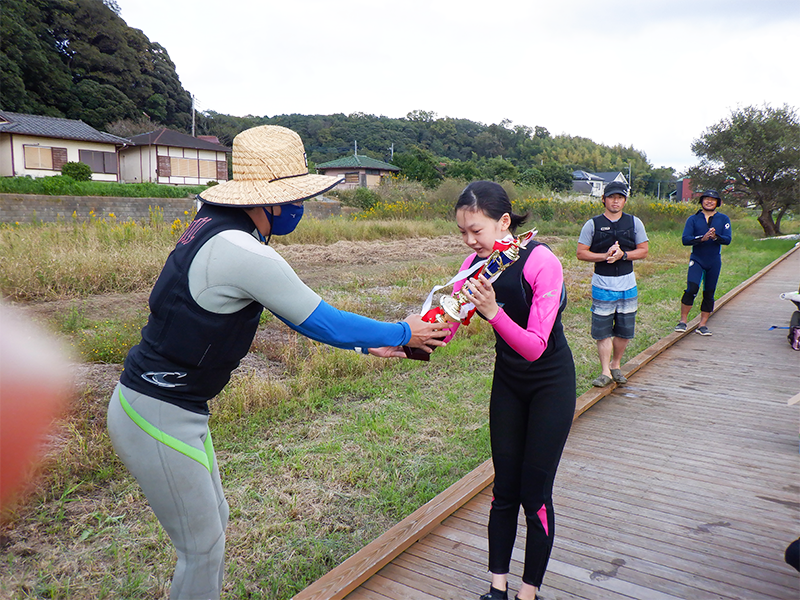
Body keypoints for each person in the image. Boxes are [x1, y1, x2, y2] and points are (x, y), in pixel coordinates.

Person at [106, 125, 449, 600]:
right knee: (201, 548)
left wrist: (368, 345)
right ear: (267, 201)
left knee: (214, 525)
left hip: (174, 407)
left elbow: (298, 316)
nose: (300, 208)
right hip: (157, 409)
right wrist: (403, 332)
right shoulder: (243, 251)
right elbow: (319, 320)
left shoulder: (215, 224)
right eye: (295, 197)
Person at [443, 181, 575, 600]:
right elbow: (447, 329)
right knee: (504, 490)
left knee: (534, 495)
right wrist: (408, 334)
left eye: (476, 230)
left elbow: (535, 346)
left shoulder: (542, 262)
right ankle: (496, 589)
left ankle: (528, 592)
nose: (469, 240)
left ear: (503, 222)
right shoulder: (474, 263)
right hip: (508, 383)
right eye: (463, 231)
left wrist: (493, 311)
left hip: (550, 382)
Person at [577, 181, 649, 387]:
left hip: (628, 285)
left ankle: (616, 365)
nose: (615, 200)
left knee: (625, 330)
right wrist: (605, 256)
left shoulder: (635, 223)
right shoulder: (592, 224)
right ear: (603, 199)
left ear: (625, 200)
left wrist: (623, 255)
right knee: (603, 330)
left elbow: (643, 250)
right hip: (602, 285)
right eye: (611, 197)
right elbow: (581, 253)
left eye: (619, 197)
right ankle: (605, 371)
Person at [674, 189, 732, 336]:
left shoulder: (723, 219)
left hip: (714, 260)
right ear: (701, 201)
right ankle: (683, 321)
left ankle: (703, 324)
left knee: (709, 292)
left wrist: (715, 237)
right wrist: (702, 238)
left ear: (717, 203)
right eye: (706, 198)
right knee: (692, 288)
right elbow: (685, 239)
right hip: (697, 259)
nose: (709, 201)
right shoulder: (693, 219)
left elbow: (727, 239)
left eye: (713, 199)